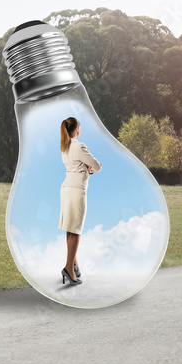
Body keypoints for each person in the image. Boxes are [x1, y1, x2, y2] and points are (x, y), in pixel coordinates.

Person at [58, 116, 101, 285]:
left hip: (66, 188)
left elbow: (76, 166)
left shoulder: (65, 147)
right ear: (77, 129)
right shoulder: (79, 146)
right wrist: (91, 168)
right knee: (76, 230)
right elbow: (97, 165)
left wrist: (85, 169)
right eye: (80, 127)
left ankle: (74, 264)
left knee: (70, 228)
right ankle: (68, 268)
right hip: (77, 190)